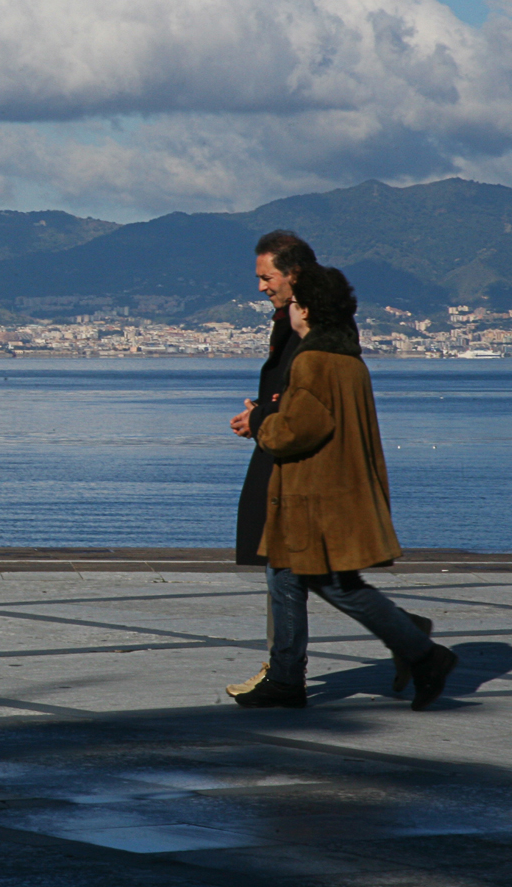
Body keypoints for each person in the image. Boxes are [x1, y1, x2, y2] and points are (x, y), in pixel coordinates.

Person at [234, 265, 457, 710]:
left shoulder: (312, 362)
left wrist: (260, 420)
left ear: (308, 310)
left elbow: (296, 430)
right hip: (334, 490)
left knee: (332, 584)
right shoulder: (349, 359)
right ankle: (286, 675)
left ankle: (422, 651)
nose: (290, 313)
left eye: (295, 305)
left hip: (310, 493)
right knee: (290, 576)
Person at [224, 231, 318, 695]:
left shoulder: (307, 324)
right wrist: (259, 414)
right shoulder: (291, 319)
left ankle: (283, 674)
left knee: (284, 566)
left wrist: (260, 415)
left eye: (267, 277)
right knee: (308, 571)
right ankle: (405, 635)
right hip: (280, 451)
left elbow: (302, 397)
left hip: (292, 462)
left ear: (292, 274)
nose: (261, 286)